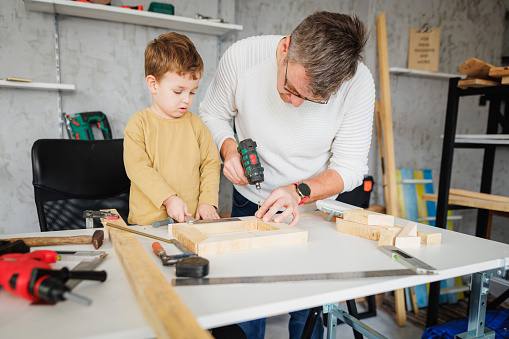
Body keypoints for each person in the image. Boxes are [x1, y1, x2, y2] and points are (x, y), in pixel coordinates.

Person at [199, 11, 375, 339]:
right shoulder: (242, 56)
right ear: (285, 49)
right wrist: (228, 149)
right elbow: (212, 113)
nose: (294, 104)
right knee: (246, 313)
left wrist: (298, 192)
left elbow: (351, 167)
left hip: (312, 212)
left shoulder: (358, 83)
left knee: (308, 316)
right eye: (290, 88)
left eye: (310, 100)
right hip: (250, 203)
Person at [124, 32, 221, 226]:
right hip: (146, 224)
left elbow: (211, 163)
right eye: (178, 91)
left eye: (192, 92)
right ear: (153, 84)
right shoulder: (138, 124)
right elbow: (137, 168)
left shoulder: (197, 125)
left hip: (189, 221)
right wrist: (169, 198)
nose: (187, 99)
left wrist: (207, 201)